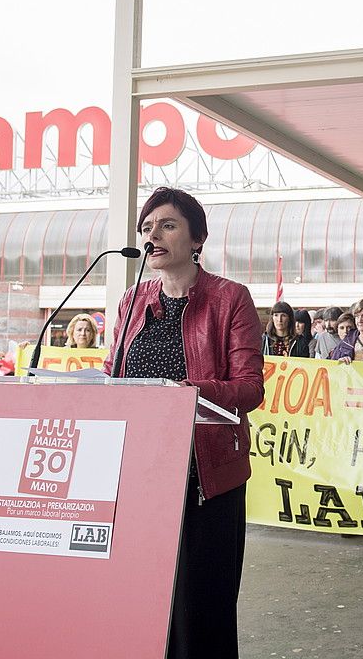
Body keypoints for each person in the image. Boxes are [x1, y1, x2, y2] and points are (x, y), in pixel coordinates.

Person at [103, 186, 263, 659]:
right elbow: (115, 378)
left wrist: (182, 393)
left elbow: (249, 388)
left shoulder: (230, 298)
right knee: (148, 603)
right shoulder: (133, 301)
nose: (154, 235)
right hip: (140, 476)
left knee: (202, 609)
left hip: (205, 476)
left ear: (198, 238)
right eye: (147, 227)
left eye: (167, 225)